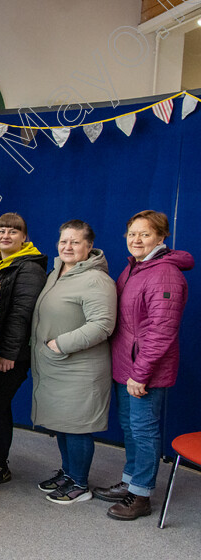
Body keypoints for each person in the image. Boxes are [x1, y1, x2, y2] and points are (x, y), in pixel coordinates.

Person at [93, 211, 193, 520]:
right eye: (132, 234)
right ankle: (130, 481)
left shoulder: (165, 274)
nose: (136, 240)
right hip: (127, 366)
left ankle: (141, 495)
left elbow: (161, 331)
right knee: (132, 428)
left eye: (145, 234)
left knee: (144, 431)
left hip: (144, 372)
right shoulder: (135, 268)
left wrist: (140, 374)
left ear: (162, 238)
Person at [32, 220, 116, 505]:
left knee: (78, 426)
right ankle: (68, 473)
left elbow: (103, 325)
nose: (67, 247)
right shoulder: (58, 272)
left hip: (79, 367)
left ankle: (80, 484)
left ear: (89, 247)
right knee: (64, 424)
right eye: (63, 241)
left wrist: (60, 344)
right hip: (58, 366)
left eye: (75, 242)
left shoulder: (95, 279)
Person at [0, 213, 47, 487]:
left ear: (25, 238)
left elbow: (21, 314)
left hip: (10, 355)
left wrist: (8, 353)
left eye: (13, 232)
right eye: (2, 230)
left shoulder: (29, 268)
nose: (6, 236)